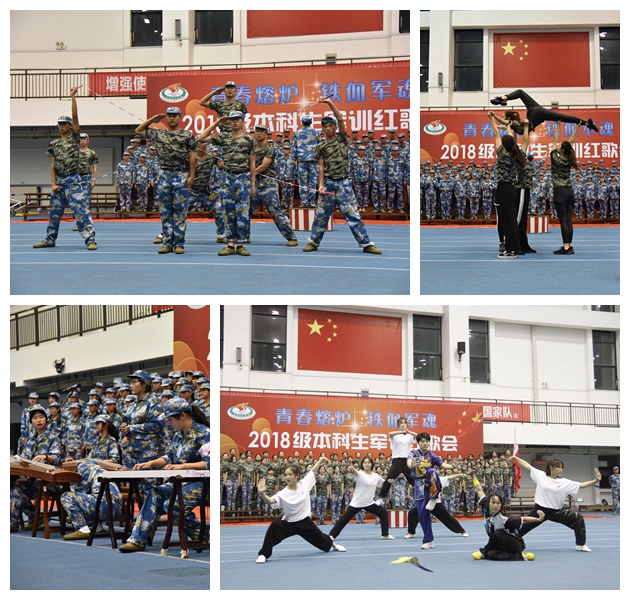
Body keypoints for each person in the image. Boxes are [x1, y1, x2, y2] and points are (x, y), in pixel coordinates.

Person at [118, 397, 209, 552]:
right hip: (180, 482)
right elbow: (170, 457)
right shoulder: (178, 435)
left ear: (182, 416)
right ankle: (137, 540)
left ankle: (202, 534)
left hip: (201, 483)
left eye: (170, 419)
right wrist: (150, 463)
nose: (168, 423)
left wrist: (182, 466)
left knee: (172, 504)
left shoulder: (204, 433)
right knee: (155, 493)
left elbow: (209, 463)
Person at [302, 97, 381, 255]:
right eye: (325, 127)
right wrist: (321, 185)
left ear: (335, 127)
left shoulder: (342, 139)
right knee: (321, 215)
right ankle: (313, 242)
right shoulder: (321, 146)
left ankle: (366, 243)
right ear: (323, 129)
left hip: (343, 184)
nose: (328, 129)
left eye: (331, 126)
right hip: (328, 184)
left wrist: (329, 103)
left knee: (353, 214)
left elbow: (340, 118)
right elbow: (321, 166)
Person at [33, 86, 97, 250]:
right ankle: (50, 239)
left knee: (81, 212)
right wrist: (53, 184)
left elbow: (75, 116)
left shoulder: (74, 138)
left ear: (70, 126)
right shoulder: (53, 144)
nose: (61, 126)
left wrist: (73, 96)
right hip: (59, 182)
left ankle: (90, 239)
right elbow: (52, 166)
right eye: (60, 124)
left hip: (73, 180)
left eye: (64, 124)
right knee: (54, 213)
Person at [256, 456, 346, 563]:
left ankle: (335, 546)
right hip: (289, 523)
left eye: (290, 474)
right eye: (286, 475)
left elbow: (313, 470)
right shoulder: (283, 493)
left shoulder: (304, 484)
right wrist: (262, 494)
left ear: (296, 476)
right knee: (274, 526)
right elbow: (271, 501)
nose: (287, 477)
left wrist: (321, 460)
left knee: (321, 537)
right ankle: (263, 554)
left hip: (304, 522)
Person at [135, 107, 196, 254]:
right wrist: (153, 120)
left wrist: (192, 176)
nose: (172, 118)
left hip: (181, 173)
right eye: (169, 115)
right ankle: (168, 242)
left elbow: (191, 157)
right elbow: (139, 130)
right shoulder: (159, 134)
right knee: (165, 211)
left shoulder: (187, 135)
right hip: (164, 174)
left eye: (175, 115)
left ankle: (179, 244)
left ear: (180, 117)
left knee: (180, 210)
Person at [511, 455, 601, 551]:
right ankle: (509, 542)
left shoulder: (564, 482)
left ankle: (580, 545)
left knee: (578, 518)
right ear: (551, 467)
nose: (560, 470)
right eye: (558, 467)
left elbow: (581, 485)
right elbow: (527, 465)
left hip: (556, 512)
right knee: (520, 528)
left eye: (561, 468)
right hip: (539, 511)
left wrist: (596, 480)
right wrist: (516, 458)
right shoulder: (541, 476)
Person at [199, 111, 256, 256]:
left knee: (242, 211)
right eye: (232, 120)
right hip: (227, 177)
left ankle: (241, 244)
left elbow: (252, 163)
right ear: (229, 123)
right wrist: (216, 124)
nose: (235, 122)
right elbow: (202, 137)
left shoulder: (250, 140)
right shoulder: (223, 137)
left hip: (243, 177)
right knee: (228, 210)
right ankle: (230, 244)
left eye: (238, 119)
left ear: (243, 122)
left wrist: (253, 184)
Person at [10, 404, 63, 531]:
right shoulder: (30, 440)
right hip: (32, 480)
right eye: (35, 418)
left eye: (41, 417)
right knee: (12, 486)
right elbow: (24, 458)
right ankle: (34, 515)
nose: (38, 420)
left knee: (17, 490)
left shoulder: (53, 438)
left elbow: (58, 459)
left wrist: (46, 457)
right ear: (31, 422)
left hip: (48, 482)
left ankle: (12, 523)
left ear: (46, 419)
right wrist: (14, 459)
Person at [470, 474, 543, 561]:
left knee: (497, 533)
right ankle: (519, 556)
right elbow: (479, 490)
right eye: (493, 503)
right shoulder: (485, 506)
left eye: (498, 503)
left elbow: (524, 519)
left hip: (514, 544)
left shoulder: (503, 518)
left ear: (501, 505)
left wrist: (538, 519)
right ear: (488, 503)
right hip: (500, 545)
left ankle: (484, 553)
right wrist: (473, 477)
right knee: (492, 554)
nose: (495, 506)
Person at [251, 124, 299, 246]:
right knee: (245, 211)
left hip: (268, 185)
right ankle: (243, 237)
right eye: (257, 131)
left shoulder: (270, 149)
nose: (259, 133)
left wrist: (248, 173)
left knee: (276, 212)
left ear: (266, 134)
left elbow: (263, 167)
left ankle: (291, 237)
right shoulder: (251, 149)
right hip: (254, 184)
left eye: (262, 131)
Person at [488, 112, 526, 258]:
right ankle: (514, 248)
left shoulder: (502, 153)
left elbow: (495, 133)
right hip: (511, 189)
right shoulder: (514, 153)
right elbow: (508, 138)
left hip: (504, 189)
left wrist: (492, 119)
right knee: (511, 220)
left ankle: (510, 250)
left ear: (504, 144)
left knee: (507, 221)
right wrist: (508, 127)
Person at [328, 457, 394, 540]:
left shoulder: (376, 476)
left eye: (368, 462)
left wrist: (389, 482)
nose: (367, 464)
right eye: (365, 463)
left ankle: (385, 534)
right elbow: (356, 473)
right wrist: (352, 469)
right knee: (345, 519)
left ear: (371, 464)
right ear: (362, 464)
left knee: (383, 513)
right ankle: (331, 535)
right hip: (357, 503)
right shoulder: (360, 474)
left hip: (369, 503)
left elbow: (384, 485)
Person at [61, 459, 123, 540]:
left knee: (67, 497)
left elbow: (80, 491)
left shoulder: (84, 468)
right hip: (117, 510)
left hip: (104, 508)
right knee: (91, 496)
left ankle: (83, 529)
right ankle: (98, 528)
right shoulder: (101, 470)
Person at [490, 89, 598, 132]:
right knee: (521, 93)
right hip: (534, 112)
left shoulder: (512, 124)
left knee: (563, 117)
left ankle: (502, 98)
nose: (503, 120)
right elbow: (504, 125)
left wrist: (494, 117)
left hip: (536, 115)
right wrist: (496, 124)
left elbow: (505, 124)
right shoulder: (512, 125)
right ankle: (503, 98)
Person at [404, 472, 469, 541]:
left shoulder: (437, 479)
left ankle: (462, 531)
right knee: (412, 513)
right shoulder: (420, 481)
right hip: (424, 504)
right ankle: (411, 532)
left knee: (447, 518)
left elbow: (449, 477)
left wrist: (459, 475)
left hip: (436, 503)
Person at [550, 122, 579, 255]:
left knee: (563, 221)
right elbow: (571, 142)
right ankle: (570, 245)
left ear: (561, 150)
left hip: (560, 191)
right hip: (569, 191)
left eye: (560, 146)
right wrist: (577, 127)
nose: (558, 146)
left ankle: (566, 247)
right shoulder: (569, 159)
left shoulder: (556, 159)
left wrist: (557, 127)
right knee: (568, 219)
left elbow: (554, 141)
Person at [377, 417, 417, 502]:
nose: (403, 425)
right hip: (397, 460)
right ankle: (380, 498)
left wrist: (408, 431)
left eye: (404, 423)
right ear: (398, 425)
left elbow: (417, 436)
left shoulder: (409, 436)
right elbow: (390, 434)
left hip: (407, 461)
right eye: (401, 423)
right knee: (389, 479)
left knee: (413, 480)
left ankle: (421, 497)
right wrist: (402, 432)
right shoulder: (395, 435)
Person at [292, 115, 320, 207]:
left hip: (302, 160)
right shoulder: (316, 133)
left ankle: (304, 202)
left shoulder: (297, 133)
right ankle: (311, 202)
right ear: (311, 122)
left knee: (303, 182)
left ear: (302, 122)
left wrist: (295, 159)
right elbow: (320, 146)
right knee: (312, 181)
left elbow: (293, 148)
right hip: (313, 160)